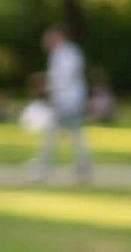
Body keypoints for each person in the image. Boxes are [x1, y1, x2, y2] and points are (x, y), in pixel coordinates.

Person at [36, 24, 93, 183]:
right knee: (72, 134)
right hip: (64, 100)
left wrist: (50, 87)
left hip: (69, 101)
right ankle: (82, 166)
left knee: (58, 133)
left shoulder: (68, 54)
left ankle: (44, 168)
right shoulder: (59, 55)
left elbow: (65, 79)